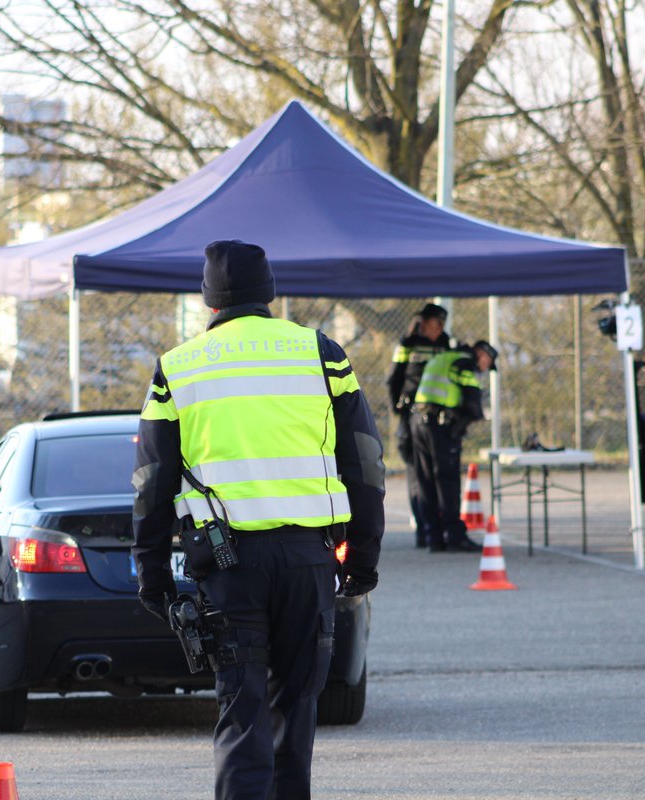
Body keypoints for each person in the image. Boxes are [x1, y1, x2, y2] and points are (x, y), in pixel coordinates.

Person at [132, 239, 385, 800]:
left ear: (209, 299)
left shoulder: (178, 367)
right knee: (296, 711)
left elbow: (152, 481)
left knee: (243, 710)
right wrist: (363, 556)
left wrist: (152, 574)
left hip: (229, 568)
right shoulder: (321, 353)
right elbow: (365, 462)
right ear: (269, 292)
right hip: (308, 560)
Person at [409, 340, 498, 553]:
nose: (485, 368)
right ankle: (455, 537)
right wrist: (459, 427)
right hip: (441, 426)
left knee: (426, 481)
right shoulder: (465, 364)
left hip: (418, 423)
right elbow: (474, 405)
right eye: (488, 362)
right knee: (447, 481)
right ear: (482, 353)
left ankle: (433, 537)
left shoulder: (443, 358)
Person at [386, 303, 451, 548]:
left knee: (436, 474)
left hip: (436, 416)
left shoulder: (444, 343)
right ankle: (424, 529)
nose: (439, 329)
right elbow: (394, 378)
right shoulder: (408, 344)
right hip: (411, 414)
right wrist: (398, 410)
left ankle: (437, 527)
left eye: (442, 325)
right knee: (417, 475)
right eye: (435, 324)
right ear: (423, 323)